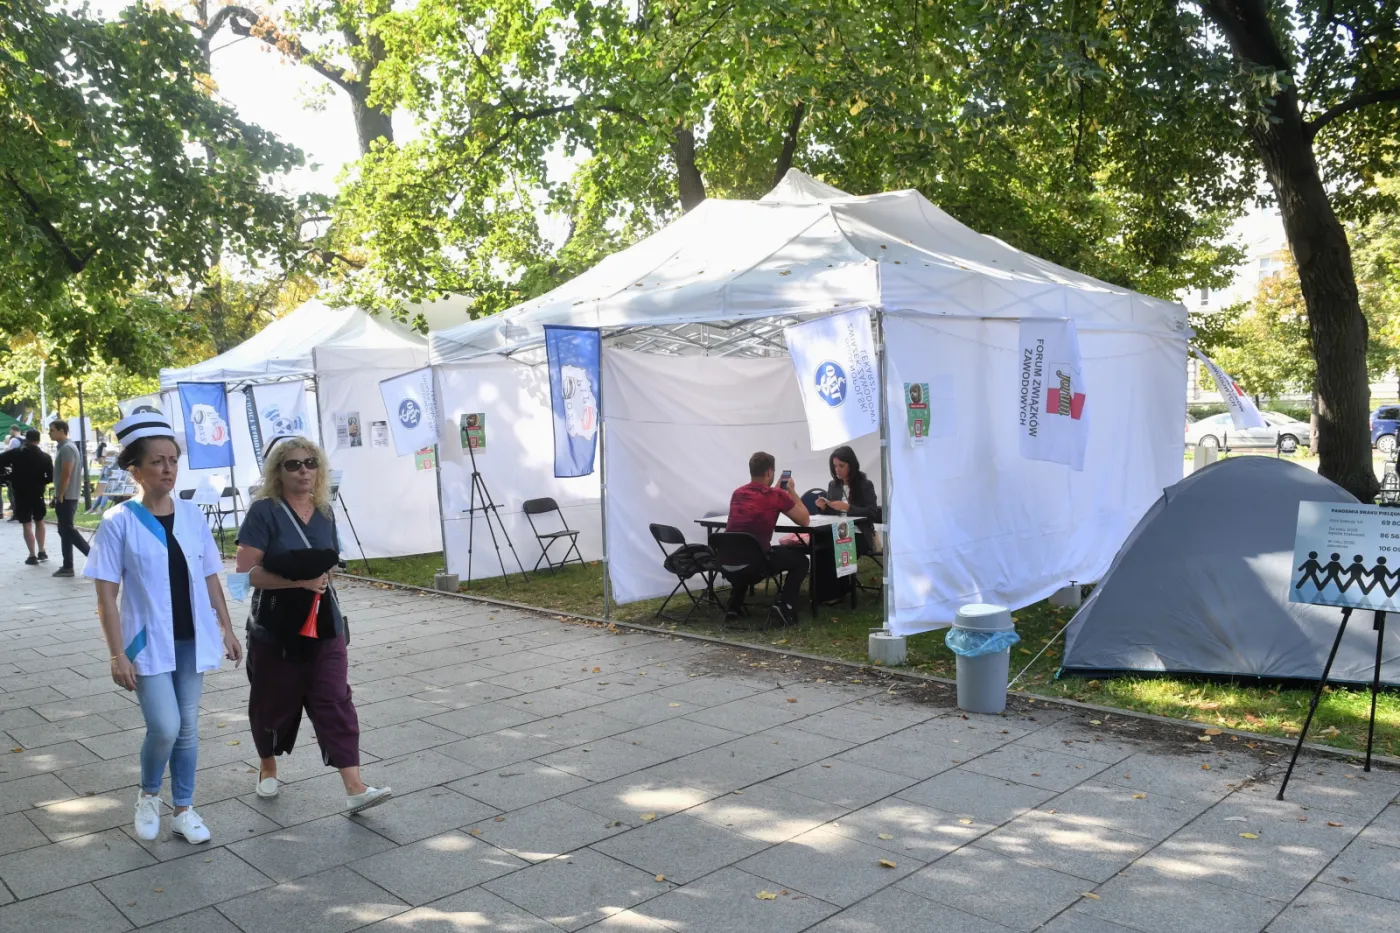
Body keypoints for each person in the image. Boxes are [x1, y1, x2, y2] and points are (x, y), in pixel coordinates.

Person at [84, 412, 242, 844]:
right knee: (166, 726)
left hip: (193, 639)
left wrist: (226, 628)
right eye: (157, 461)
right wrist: (117, 655)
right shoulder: (118, 522)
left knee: (188, 727)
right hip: (146, 643)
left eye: (172, 459)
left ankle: (184, 809)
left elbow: (211, 576)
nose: (168, 468)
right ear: (135, 468)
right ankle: (149, 794)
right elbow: (106, 597)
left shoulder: (192, 516)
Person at [235, 435, 391, 814]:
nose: (303, 470)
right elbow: (243, 575)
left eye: (310, 463)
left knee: (335, 700)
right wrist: (298, 582)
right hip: (275, 626)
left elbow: (328, 562)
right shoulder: (264, 511)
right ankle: (268, 766)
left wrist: (321, 579)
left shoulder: (325, 510)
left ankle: (354, 787)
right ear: (278, 471)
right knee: (272, 701)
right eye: (293, 464)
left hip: (324, 623)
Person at [725, 451, 810, 626]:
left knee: (743, 549)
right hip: (756, 565)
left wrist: (779, 491)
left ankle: (734, 606)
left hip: (728, 563)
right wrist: (791, 492)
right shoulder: (777, 496)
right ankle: (785, 604)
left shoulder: (737, 493)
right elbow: (805, 520)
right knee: (801, 561)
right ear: (770, 472)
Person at [813, 445, 882, 602]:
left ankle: (837, 591)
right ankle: (823, 593)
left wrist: (848, 508)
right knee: (819, 545)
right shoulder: (834, 485)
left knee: (837, 545)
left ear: (851, 465)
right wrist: (824, 508)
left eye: (841, 466)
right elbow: (832, 514)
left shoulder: (865, 484)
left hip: (860, 533)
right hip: (838, 529)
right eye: (835, 466)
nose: (837, 470)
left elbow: (872, 512)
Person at [0, 430, 51, 565]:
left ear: (26, 439)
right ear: (38, 440)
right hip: (37, 493)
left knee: (26, 523)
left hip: (20, 492)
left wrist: (7, 477)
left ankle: (32, 555)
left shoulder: (15, 453)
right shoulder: (45, 457)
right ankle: (42, 551)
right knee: (39, 520)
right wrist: (41, 482)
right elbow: (50, 477)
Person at [49, 419, 91, 577]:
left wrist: (60, 493)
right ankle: (68, 566)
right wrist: (57, 494)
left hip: (67, 495)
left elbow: (67, 472)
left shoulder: (67, 448)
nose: (49, 433)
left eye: (52, 430)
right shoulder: (64, 447)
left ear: (61, 430)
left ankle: (94, 558)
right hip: (64, 495)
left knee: (68, 529)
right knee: (64, 530)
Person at [4, 424, 21, 521]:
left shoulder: (14, 441)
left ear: (12, 430)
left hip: (14, 469)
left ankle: (16, 513)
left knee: (12, 492)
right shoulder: (24, 439)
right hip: (25, 469)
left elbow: (8, 454)